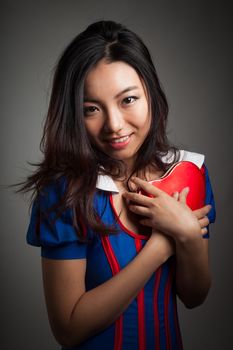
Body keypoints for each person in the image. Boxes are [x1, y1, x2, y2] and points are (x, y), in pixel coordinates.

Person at [21, 20, 216, 349]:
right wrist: (160, 247)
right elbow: (68, 328)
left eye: (128, 100)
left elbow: (194, 297)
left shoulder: (188, 172)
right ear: (73, 113)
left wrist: (188, 238)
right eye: (91, 109)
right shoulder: (64, 193)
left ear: (150, 93)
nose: (114, 125)